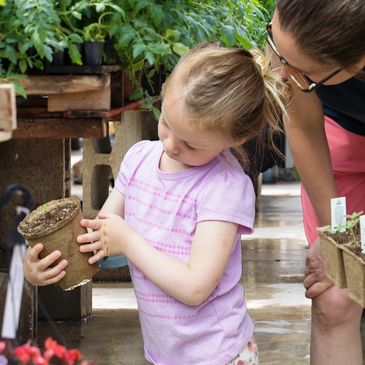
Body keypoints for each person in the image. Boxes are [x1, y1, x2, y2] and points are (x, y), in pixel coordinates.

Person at [23, 42, 288, 364]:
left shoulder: (224, 187)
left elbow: (195, 288)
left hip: (219, 355)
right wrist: (46, 266)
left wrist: (130, 242)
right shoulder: (139, 160)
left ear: (237, 138)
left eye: (190, 143)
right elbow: (98, 243)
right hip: (163, 353)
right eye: (167, 124)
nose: (171, 146)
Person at [268, 1, 365, 364]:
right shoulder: (296, 27)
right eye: (278, 49)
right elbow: (304, 125)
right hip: (337, 142)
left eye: (305, 72)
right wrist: (334, 236)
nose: (281, 73)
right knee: (336, 295)